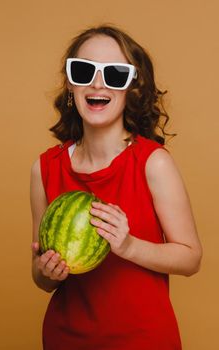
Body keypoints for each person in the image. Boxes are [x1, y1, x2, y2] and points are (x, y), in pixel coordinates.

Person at [29, 25, 202, 350]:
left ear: (132, 87)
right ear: (70, 84)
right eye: (83, 70)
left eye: (115, 73)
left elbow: (191, 258)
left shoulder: (153, 163)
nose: (97, 83)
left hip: (144, 340)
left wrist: (128, 246)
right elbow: (42, 281)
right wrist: (47, 271)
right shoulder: (44, 168)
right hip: (66, 338)